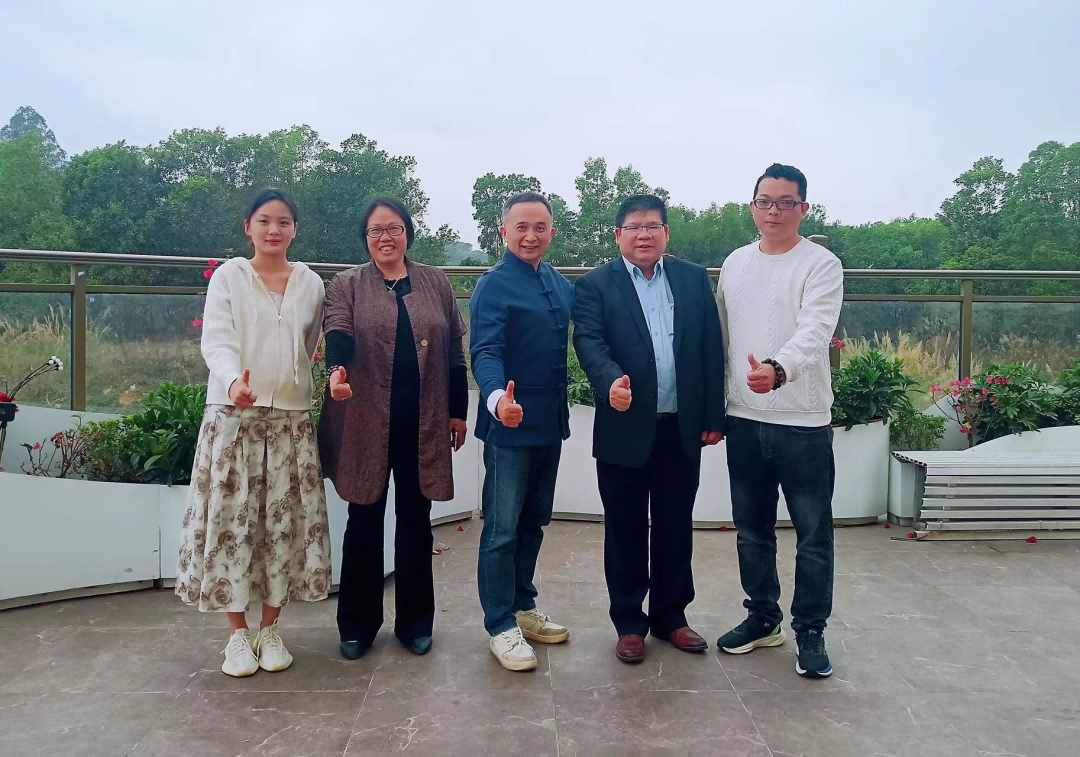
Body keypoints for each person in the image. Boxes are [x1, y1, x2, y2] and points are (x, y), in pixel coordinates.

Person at [176, 188, 331, 678]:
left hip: (291, 421)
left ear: (295, 229)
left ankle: (270, 629)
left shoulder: (311, 283)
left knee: (282, 526)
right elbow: (217, 341)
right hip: (234, 419)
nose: (273, 230)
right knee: (232, 524)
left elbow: (309, 345)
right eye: (264, 221)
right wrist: (232, 382)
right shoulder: (229, 277)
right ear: (248, 227)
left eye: (283, 221)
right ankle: (237, 635)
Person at [572, 194, 725, 664]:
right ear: (618, 235)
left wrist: (713, 416)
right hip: (624, 425)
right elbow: (589, 340)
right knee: (625, 529)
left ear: (666, 233)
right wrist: (608, 382)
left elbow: (711, 347)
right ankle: (629, 623)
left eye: (653, 226)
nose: (644, 235)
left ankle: (671, 617)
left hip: (681, 426)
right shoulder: (595, 284)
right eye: (634, 227)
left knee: (676, 525)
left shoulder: (693, 279)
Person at [318, 197, 468, 660]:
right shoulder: (346, 284)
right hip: (365, 420)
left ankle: (415, 624)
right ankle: (357, 626)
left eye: (394, 228)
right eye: (376, 230)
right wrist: (336, 371)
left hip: (423, 421)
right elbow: (338, 331)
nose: (385, 237)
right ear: (365, 238)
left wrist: (458, 411)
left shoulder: (435, 281)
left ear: (407, 233)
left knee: (416, 521)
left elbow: (454, 351)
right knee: (363, 519)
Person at [715, 163, 844, 679]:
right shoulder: (735, 263)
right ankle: (763, 619)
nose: (774, 211)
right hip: (743, 419)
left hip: (803, 421)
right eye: (764, 201)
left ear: (803, 209)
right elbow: (723, 337)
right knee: (752, 530)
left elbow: (816, 330)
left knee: (813, 534)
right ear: (752, 206)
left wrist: (778, 369)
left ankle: (810, 630)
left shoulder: (821, 264)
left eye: (785, 202)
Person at [470, 191, 574, 671]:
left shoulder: (557, 282)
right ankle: (500, 624)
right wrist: (497, 400)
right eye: (521, 227)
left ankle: (522, 605)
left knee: (534, 521)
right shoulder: (493, 285)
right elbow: (485, 350)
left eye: (540, 227)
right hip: (508, 426)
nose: (531, 236)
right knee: (501, 529)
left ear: (552, 231)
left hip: (549, 424)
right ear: (504, 232)